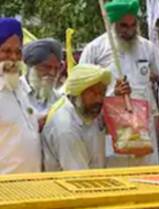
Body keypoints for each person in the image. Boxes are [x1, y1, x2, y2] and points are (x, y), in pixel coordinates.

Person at [79, 0, 159, 168]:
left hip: (143, 122)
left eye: (133, 25)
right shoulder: (95, 49)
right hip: (112, 124)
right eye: (123, 26)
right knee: (116, 172)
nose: (129, 31)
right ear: (113, 23)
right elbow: (82, 87)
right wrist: (111, 93)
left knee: (147, 171)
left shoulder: (146, 47)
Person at [42, 64, 111, 171]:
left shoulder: (88, 110)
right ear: (78, 93)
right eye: (93, 93)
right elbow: (79, 177)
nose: (99, 99)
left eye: (102, 93)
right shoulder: (66, 128)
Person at [0, 18, 41, 174]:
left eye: (18, 52)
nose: (13, 58)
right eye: (6, 50)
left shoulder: (20, 86)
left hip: (30, 185)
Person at [21, 38, 63, 127]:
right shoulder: (14, 93)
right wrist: (35, 126)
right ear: (31, 66)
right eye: (46, 67)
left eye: (56, 68)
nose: (52, 73)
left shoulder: (58, 99)